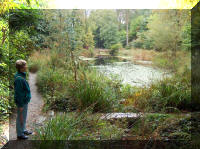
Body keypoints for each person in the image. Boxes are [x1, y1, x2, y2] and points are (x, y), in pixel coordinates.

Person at [14, 59, 32, 140]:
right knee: (20, 117)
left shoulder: (21, 75)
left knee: (23, 116)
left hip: (24, 100)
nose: (26, 67)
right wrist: (20, 105)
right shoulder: (19, 79)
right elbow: (19, 93)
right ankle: (20, 134)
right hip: (22, 102)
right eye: (25, 65)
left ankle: (23, 129)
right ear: (21, 68)